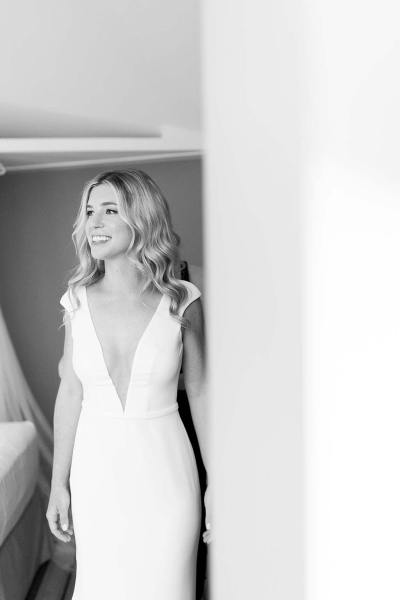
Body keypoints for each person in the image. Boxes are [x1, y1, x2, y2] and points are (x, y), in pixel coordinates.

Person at [46, 169, 211, 600]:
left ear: (141, 219)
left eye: (109, 210)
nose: (93, 223)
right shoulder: (76, 300)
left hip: (167, 477)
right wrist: (58, 483)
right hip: (96, 475)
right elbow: (70, 392)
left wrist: (219, 486)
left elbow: (201, 392)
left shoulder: (183, 300)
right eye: (89, 212)